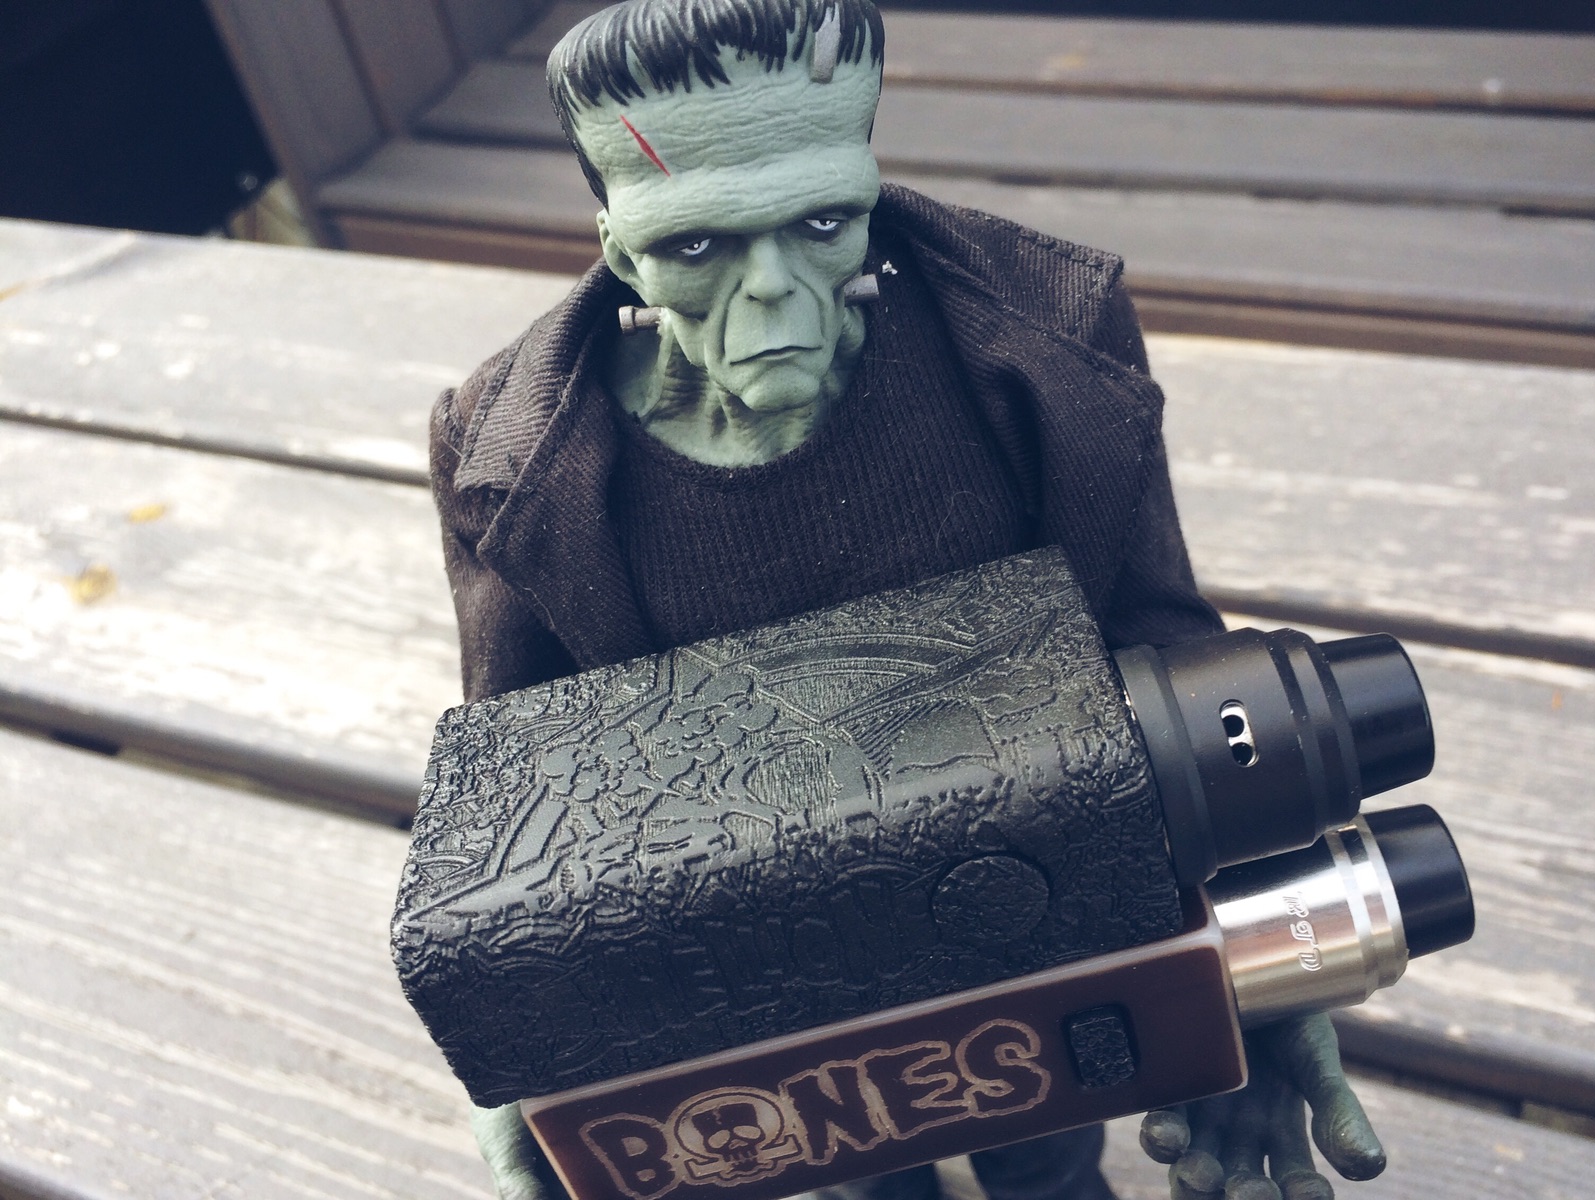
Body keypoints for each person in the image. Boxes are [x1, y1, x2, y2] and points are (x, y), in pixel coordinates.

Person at [431, 1, 1386, 1197]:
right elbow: (529, 793)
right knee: (864, 1168)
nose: (771, 294)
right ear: (619, 249)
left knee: (1049, 1162)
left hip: (1041, 917)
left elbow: (1162, 652)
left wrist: (1263, 939)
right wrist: (522, 1051)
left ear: (866, 191)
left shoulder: (1040, 340)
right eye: (698, 246)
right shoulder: (513, 451)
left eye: (820, 224)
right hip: (781, 969)